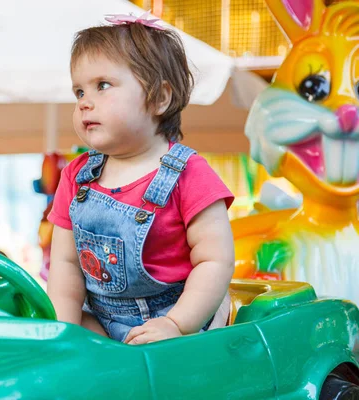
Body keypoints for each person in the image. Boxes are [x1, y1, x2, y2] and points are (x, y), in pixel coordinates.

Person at [47, 12, 235, 345]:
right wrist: (64, 333)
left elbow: (214, 260)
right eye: (78, 91)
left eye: (102, 85)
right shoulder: (76, 177)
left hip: (179, 320)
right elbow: (65, 264)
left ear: (160, 98)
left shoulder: (190, 174)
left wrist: (177, 324)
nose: (84, 103)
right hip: (104, 322)